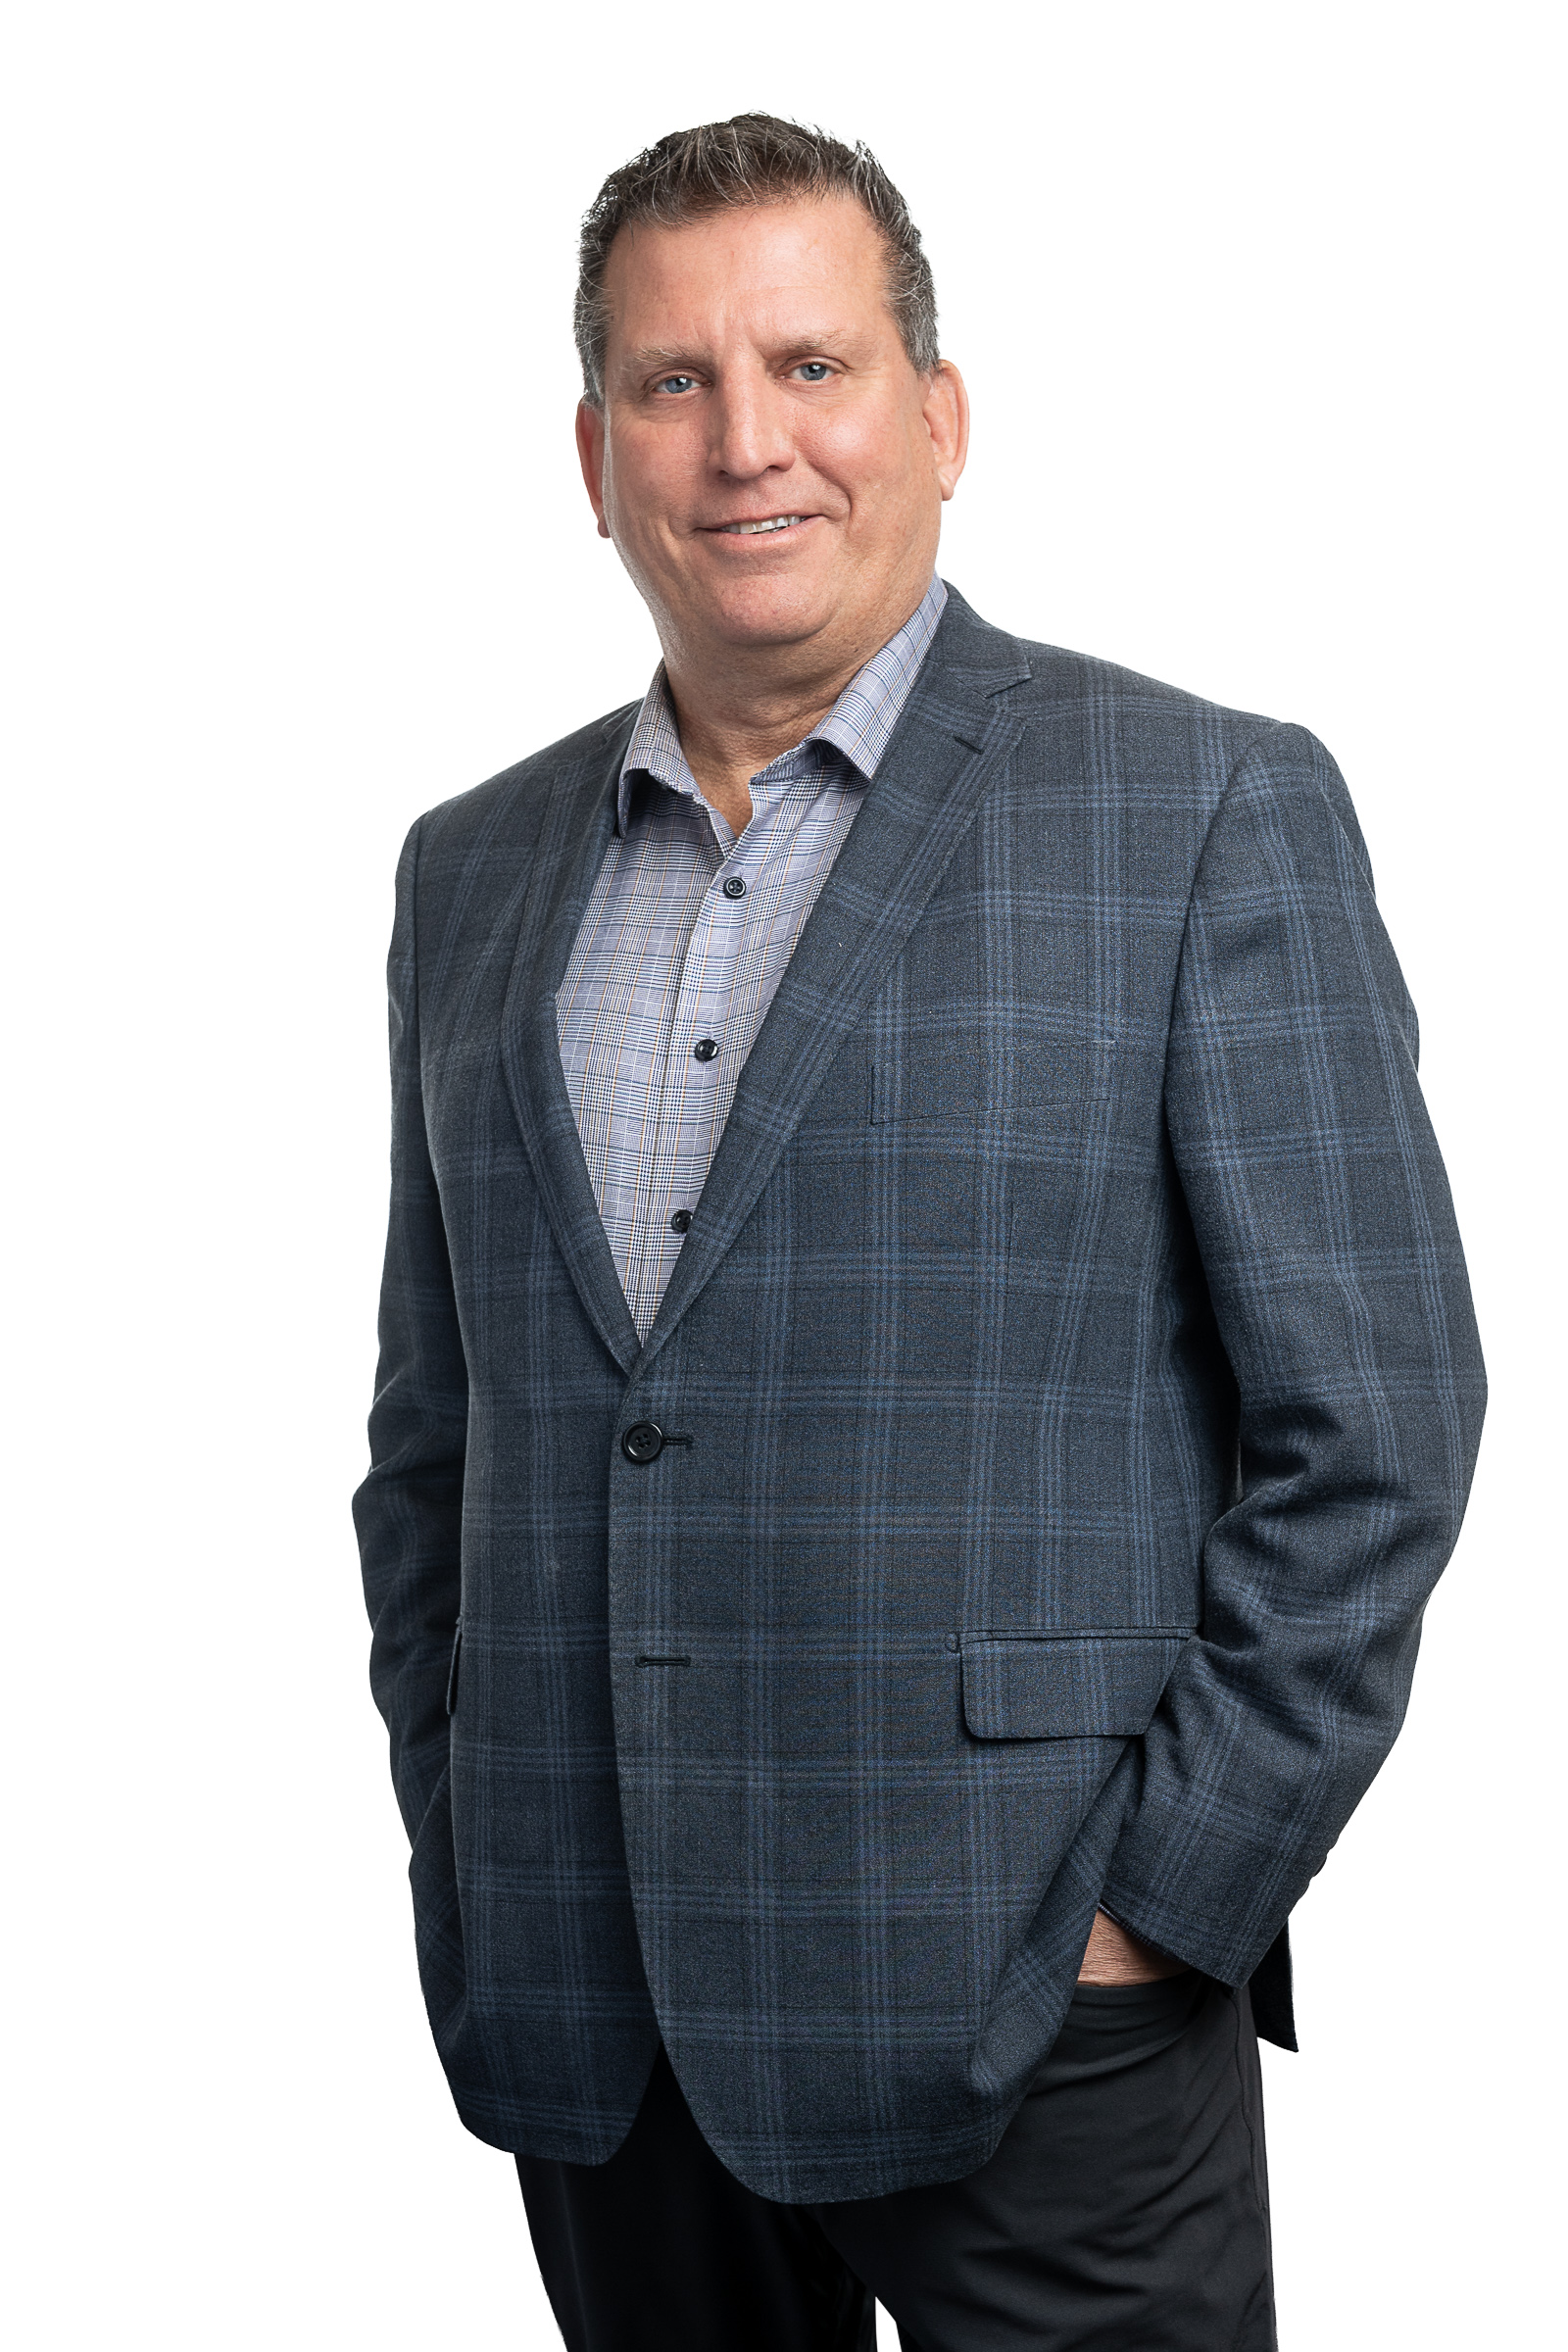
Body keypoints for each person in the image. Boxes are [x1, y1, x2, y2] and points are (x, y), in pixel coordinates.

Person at [354, 114, 1485, 2351]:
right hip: (593, 2008)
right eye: (672, 383)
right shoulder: (467, 868)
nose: (744, 441)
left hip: (1033, 2008)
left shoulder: (1199, 808)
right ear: (592, 457)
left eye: (811, 365)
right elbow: (436, 1443)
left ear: (938, 419)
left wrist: (1160, 1908)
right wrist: (466, 1822)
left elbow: (1375, 1431)